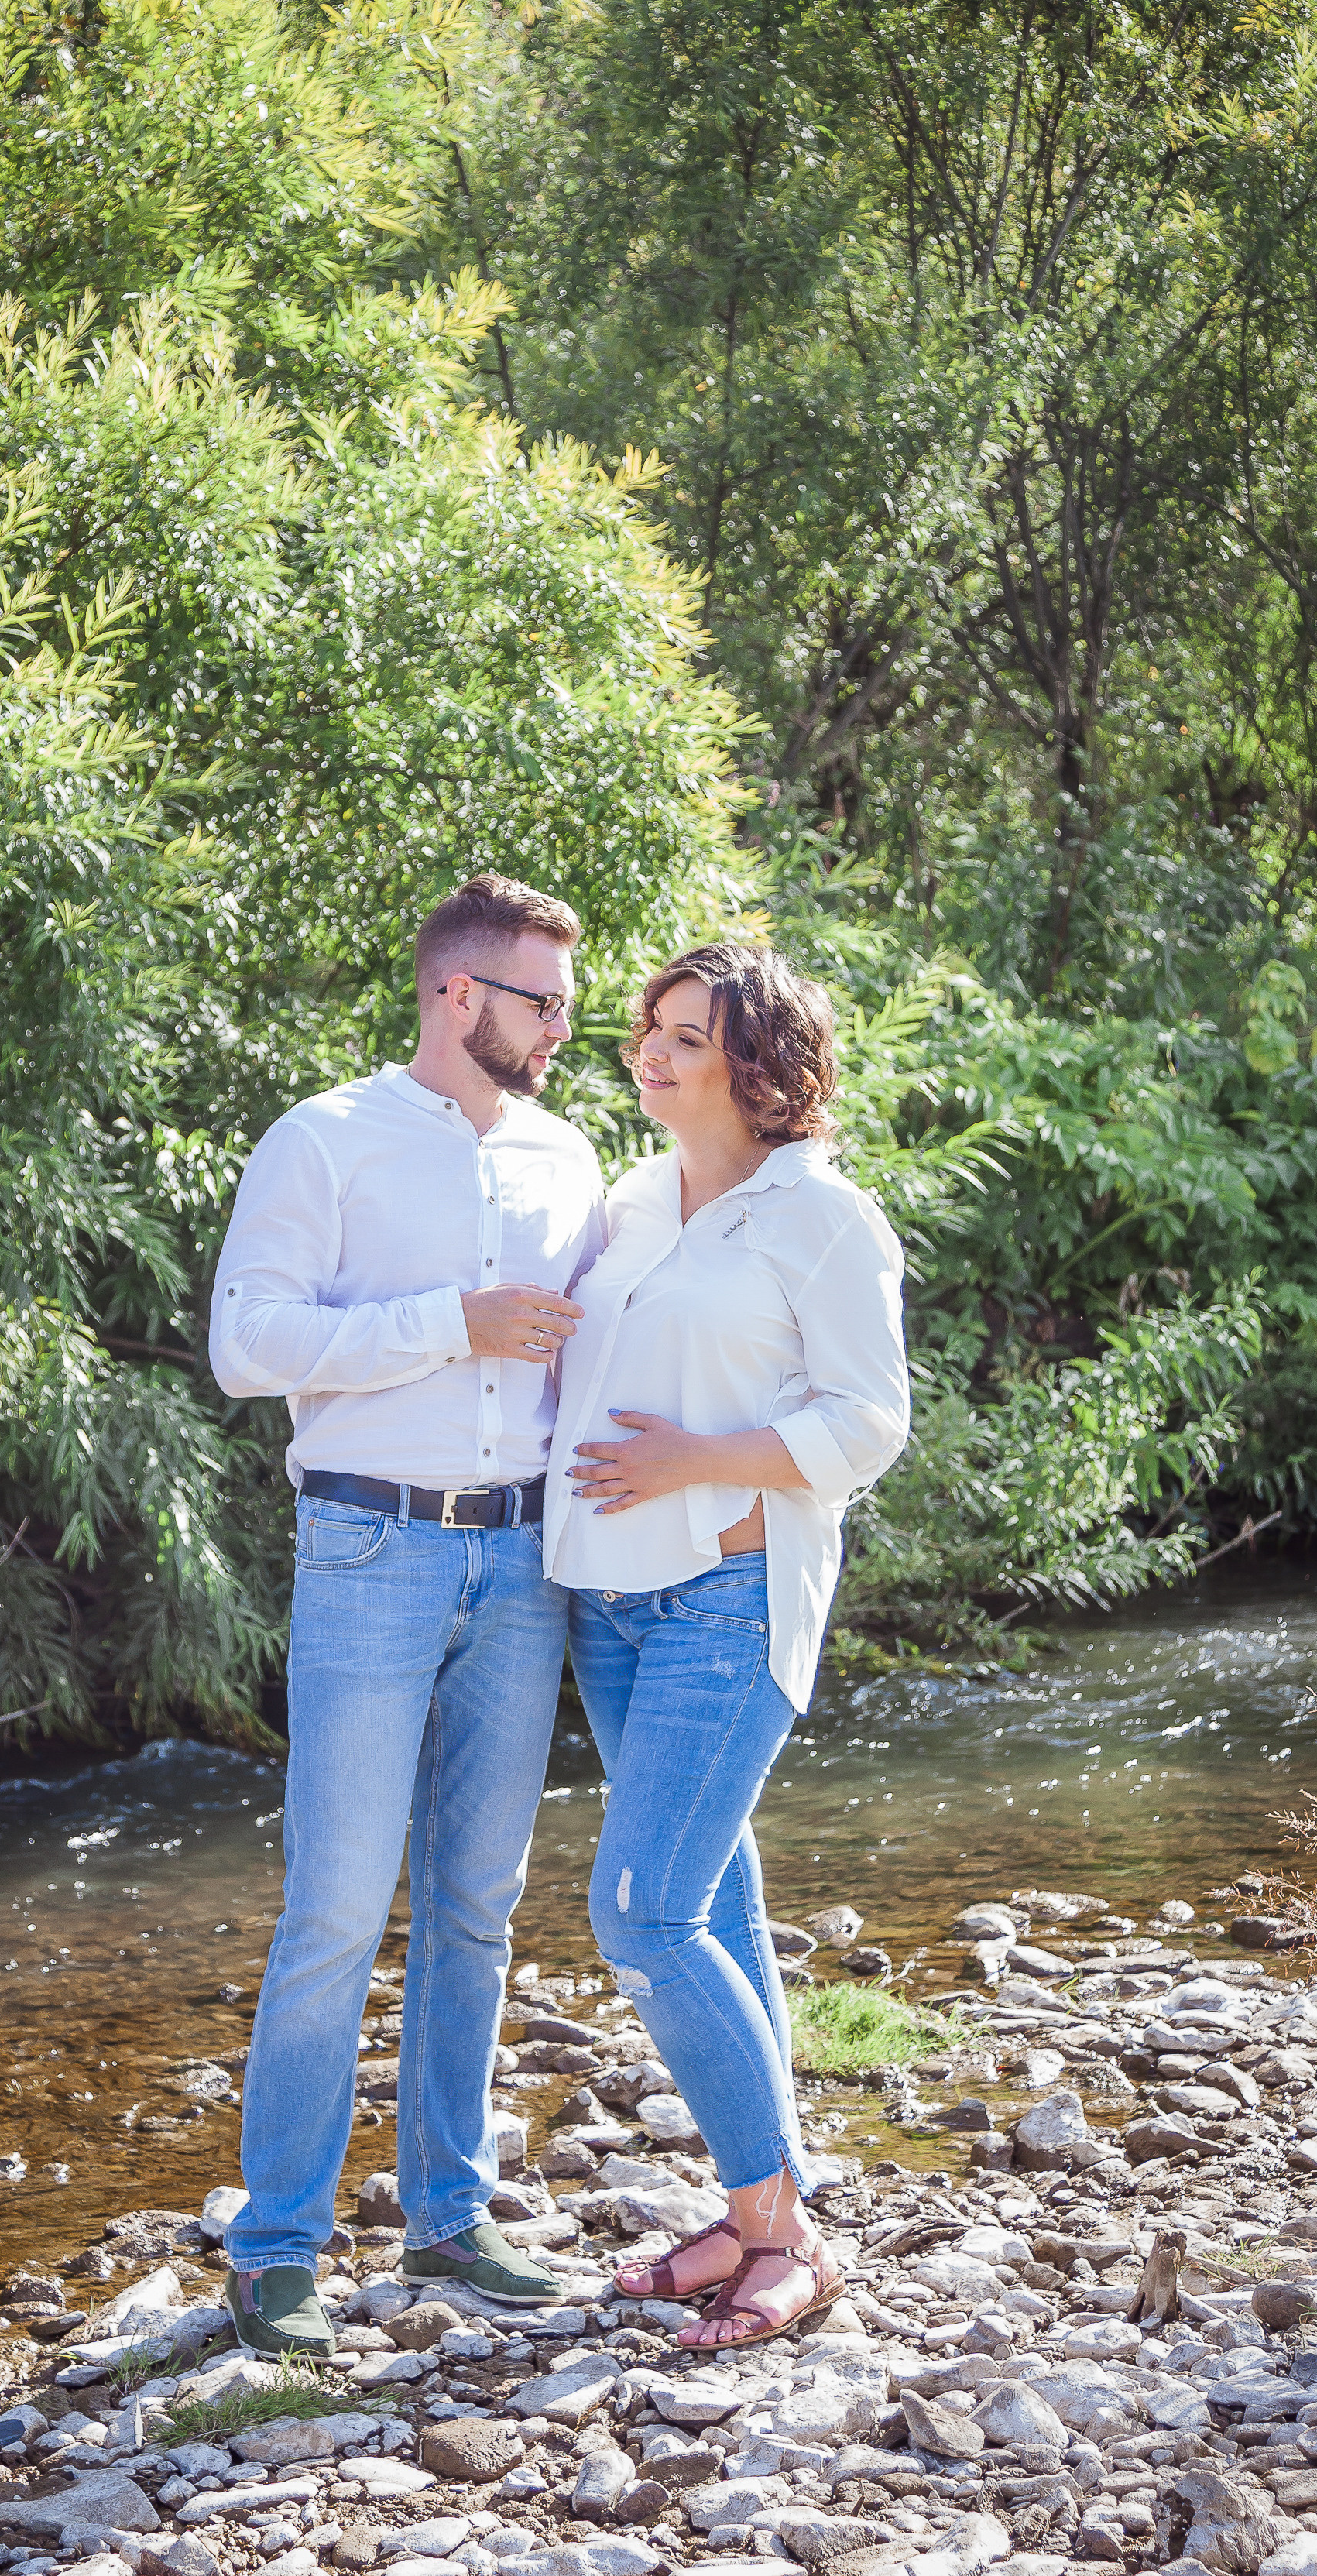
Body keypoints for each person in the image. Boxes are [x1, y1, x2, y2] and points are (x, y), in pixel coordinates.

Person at [207, 872, 608, 2358]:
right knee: (334, 1905)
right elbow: (248, 1344)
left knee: (476, 1905)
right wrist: (452, 1325)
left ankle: (448, 2214)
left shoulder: (571, 1156)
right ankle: (276, 2249)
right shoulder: (324, 1138)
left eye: (566, 1005)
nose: (562, 1030)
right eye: (544, 1004)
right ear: (459, 995)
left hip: (525, 1562)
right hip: (368, 1545)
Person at [543, 941, 910, 2352]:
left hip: (727, 1595)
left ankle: (782, 2238)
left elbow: (867, 1423)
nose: (650, 1050)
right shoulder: (634, 1201)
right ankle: (765, 2204)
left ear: (760, 1067)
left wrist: (693, 1460)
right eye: (647, 1027)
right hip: (607, 1600)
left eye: (686, 1036)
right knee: (720, 1906)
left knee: (643, 1915)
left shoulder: (825, 1219)